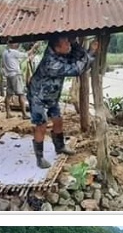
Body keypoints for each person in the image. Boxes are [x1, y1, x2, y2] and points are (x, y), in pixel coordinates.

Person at [28, 35, 97, 169]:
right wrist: (91, 52)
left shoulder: (61, 50)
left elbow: (76, 53)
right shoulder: (51, 63)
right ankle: (40, 157)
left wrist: (74, 43)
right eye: (66, 42)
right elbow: (77, 69)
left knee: (58, 120)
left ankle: (60, 147)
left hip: (51, 95)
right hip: (37, 95)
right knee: (41, 125)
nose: (69, 44)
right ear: (57, 47)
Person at [2, 40, 37, 120]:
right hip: (16, 75)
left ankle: (8, 113)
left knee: (8, 95)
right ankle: (24, 114)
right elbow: (26, 54)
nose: (17, 44)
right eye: (16, 43)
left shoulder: (5, 53)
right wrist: (34, 47)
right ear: (11, 44)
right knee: (21, 94)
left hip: (9, 76)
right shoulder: (14, 52)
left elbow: (17, 62)